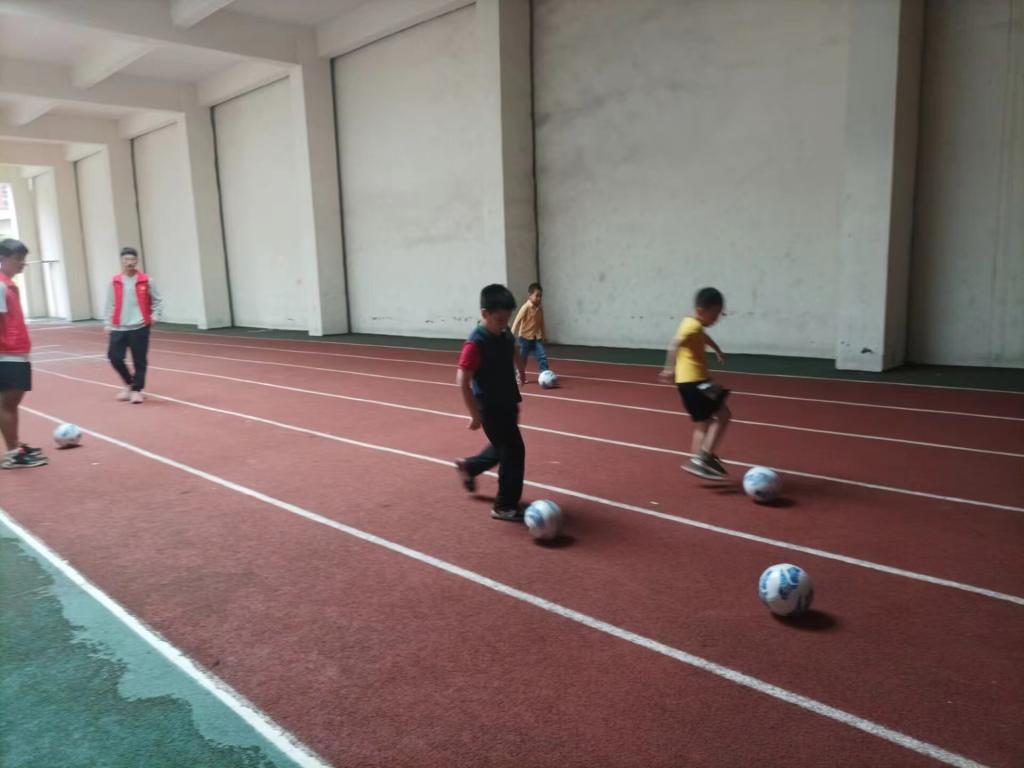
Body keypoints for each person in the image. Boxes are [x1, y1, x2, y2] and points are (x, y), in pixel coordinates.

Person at [454, 284, 527, 520]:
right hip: (491, 407)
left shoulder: (504, 333)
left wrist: (521, 369)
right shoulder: (476, 343)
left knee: (502, 447)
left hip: (508, 401)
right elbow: (462, 381)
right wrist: (474, 414)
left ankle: (470, 467)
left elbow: (513, 347)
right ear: (485, 314)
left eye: (507, 319)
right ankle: (504, 506)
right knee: (514, 451)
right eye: (499, 319)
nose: (504, 324)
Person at [658, 287, 731, 479]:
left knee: (704, 423)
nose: (717, 318)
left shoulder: (691, 324)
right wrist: (669, 368)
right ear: (701, 311)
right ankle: (703, 457)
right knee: (723, 415)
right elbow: (674, 344)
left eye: (720, 314)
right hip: (698, 382)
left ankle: (698, 460)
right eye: (715, 314)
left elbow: (703, 337)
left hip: (690, 384)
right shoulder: (692, 327)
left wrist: (717, 350)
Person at [0, 238, 47, 469]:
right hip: (7, 354)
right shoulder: (0, 286)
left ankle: (15, 446)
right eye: (18, 259)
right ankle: (12, 453)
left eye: (23, 259)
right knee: (7, 403)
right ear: (3, 259)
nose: (22, 263)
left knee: (11, 403)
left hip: (14, 352)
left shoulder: (8, 285)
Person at [104, 247, 161, 404]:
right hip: (119, 327)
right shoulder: (114, 281)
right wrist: (107, 323)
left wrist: (155, 316)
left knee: (139, 360)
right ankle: (130, 384)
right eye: (126, 259)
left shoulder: (147, 280)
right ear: (122, 261)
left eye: (132, 259)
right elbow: (109, 304)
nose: (129, 262)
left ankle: (137, 390)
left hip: (139, 327)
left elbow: (158, 300)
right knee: (114, 357)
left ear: (137, 261)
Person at [510, 282, 548, 384]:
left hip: (536, 338)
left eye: (540, 296)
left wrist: (544, 336)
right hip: (524, 338)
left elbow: (541, 323)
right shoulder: (526, 307)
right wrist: (511, 334)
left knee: (542, 356)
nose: (539, 298)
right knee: (522, 359)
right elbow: (517, 320)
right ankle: (519, 375)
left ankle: (545, 374)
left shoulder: (540, 309)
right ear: (530, 296)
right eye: (537, 296)